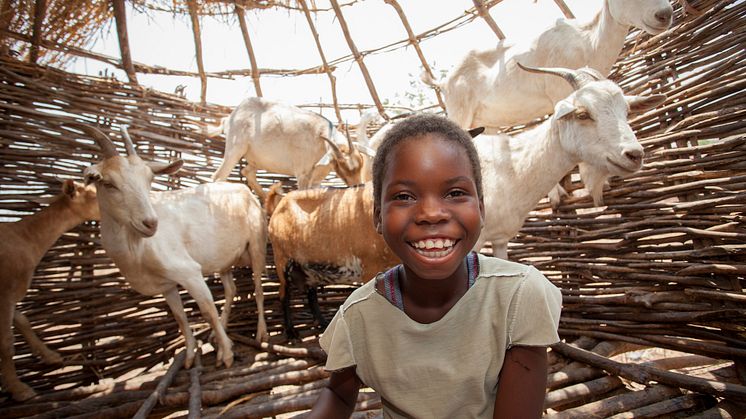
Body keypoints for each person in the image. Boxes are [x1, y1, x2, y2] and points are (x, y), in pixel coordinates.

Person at [307, 113, 562, 419]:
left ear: (481, 209)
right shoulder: (359, 315)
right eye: (404, 196)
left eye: (455, 193)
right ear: (377, 216)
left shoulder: (518, 297)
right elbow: (338, 392)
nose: (431, 213)